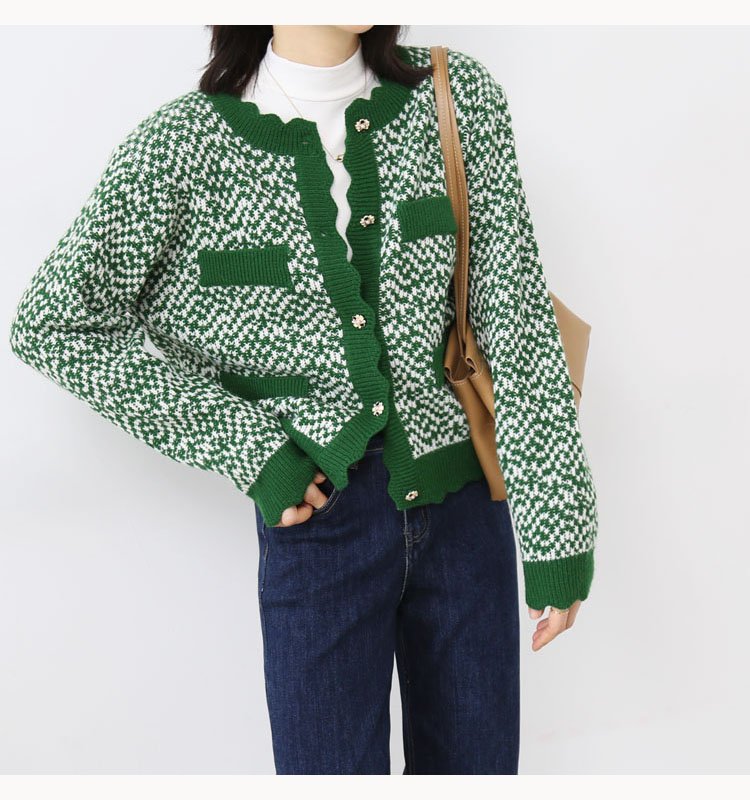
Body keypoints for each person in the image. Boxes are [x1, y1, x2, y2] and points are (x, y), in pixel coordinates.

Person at [8, 24, 598, 775]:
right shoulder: (182, 147)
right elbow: (55, 323)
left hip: (463, 516)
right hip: (321, 528)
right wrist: (250, 449)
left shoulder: (456, 98)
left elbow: (515, 319)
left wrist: (558, 527)